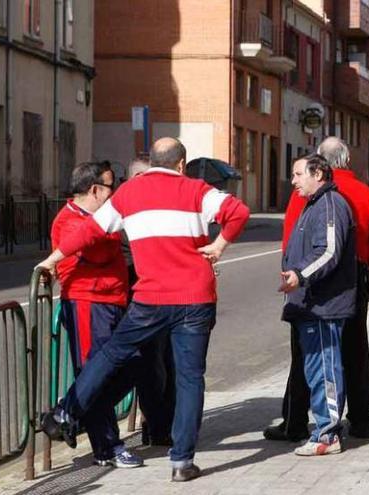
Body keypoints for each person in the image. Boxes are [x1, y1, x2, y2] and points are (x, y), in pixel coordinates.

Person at [38, 137, 250, 482]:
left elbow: (88, 233)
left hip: (150, 299)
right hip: (196, 298)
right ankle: (182, 461)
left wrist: (52, 259)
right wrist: (219, 245)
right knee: (189, 377)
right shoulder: (198, 190)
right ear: (181, 165)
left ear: (152, 162)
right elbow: (239, 212)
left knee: (110, 355)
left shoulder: (128, 194)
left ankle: (65, 414)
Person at [265, 137, 369, 442]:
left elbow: (292, 239)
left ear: (318, 165)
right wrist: (362, 265)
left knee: (307, 352)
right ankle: (360, 420)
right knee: (356, 350)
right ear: (345, 159)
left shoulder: (310, 195)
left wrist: (295, 273)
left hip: (313, 282)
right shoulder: (364, 192)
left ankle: (295, 421)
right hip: (354, 279)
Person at [50, 161, 143, 468]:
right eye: (110, 186)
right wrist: (108, 229)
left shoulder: (101, 219)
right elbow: (100, 251)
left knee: (130, 366)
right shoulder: (70, 220)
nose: (114, 193)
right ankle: (107, 447)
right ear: (94, 190)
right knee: (96, 373)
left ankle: (71, 414)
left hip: (112, 302)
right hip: (88, 302)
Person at [278, 154, 357, 456]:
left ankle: (327, 435)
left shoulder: (329, 204)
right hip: (310, 305)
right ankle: (324, 428)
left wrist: (300, 275)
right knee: (316, 369)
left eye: (298, 174)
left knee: (325, 368)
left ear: (319, 174)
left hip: (323, 305)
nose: (294, 181)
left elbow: (329, 252)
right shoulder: (314, 204)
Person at [121, 156, 176, 447]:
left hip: (166, 299)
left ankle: (160, 424)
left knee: (167, 363)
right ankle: (155, 425)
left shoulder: (160, 211)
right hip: (138, 300)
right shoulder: (123, 213)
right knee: (148, 366)